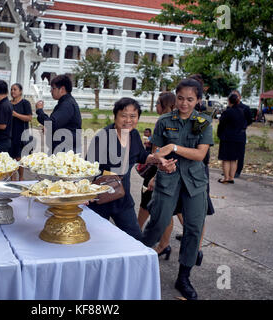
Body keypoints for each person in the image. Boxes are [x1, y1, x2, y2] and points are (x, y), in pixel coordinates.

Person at [142, 78, 214, 300]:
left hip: (194, 182)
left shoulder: (203, 122)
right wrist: (159, 163)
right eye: (181, 98)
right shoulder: (164, 121)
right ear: (176, 97)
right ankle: (138, 262)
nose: (184, 103)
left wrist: (173, 147)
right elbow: (155, 154)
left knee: (193, 227)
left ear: (198, 100)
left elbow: (200, 154)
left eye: (190, 99)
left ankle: (184, 277)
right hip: (168, 179)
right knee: (157, 222)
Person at [87, 97, 176, 241]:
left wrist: (157, 159)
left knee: (134, 238)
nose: (128, 120)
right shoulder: (102, 137)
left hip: (122, 196)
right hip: (100, 198)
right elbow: (88, 168)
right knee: (95, 240)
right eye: (124, 115)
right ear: (115, 116)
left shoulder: (133, 134)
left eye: (133, 116)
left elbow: (141, 155)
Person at [138, 92, 176, 230]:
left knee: (146, 205)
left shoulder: (162, 122)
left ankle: (135, 234)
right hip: (171, 168)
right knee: (169, 211)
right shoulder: (177, 122)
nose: (156, 106)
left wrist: (154, 176)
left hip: (158, 168)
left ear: (163, 105)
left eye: (157, 104)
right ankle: (165, 244)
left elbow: (156, 153)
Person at [35, 74, 82, 154]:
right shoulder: (64, 103)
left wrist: (40, 111)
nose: (51, 91)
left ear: (62, 89)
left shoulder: (67, 105)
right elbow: (58, 124)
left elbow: (51, 123)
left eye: (53, 88)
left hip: (66, 150)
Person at [217, 93, 246, 184]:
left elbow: (221, 124)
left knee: (225, 159)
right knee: (234, 159)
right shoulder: (242, 111)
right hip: (238, 138)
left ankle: (226, 177)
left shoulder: (227, 112)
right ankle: (231, 177)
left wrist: (219, 134)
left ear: (229, 101)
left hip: (227, 137)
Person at [9, 83, 32, 180]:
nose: (13, 91)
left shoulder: (25, 103)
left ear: (20, 91)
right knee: (10, 158)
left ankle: (21, 178)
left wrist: (15, 114)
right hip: (9, 133)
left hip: (21, 134)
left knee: (19, 158)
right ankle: (12, 180)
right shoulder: (8, 103)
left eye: (15, 89)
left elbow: (29, 118)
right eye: (11, 89)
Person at [231, 90, 252, 178]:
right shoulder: (230, 107)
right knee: (230, 153)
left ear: (239, 97)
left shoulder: (245, 108)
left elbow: (250, 120)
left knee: (240, 153)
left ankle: (238, 171)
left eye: (235, 96)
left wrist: (243, 126)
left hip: (240, 133)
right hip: (230, 133)